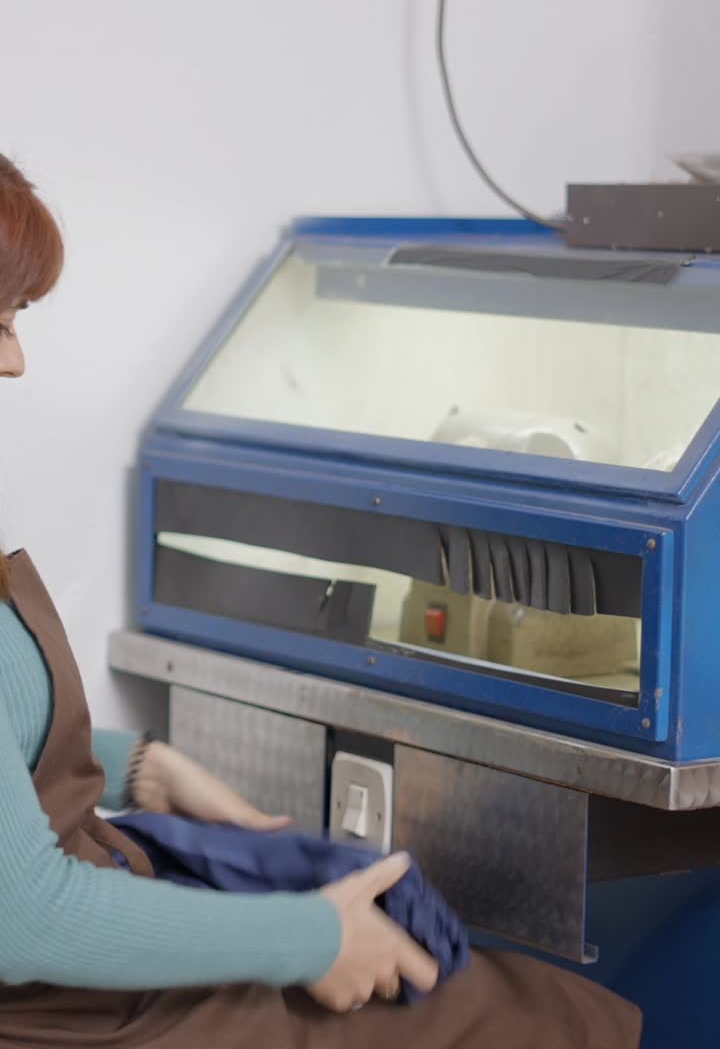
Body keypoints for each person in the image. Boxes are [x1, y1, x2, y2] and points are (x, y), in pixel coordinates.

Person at [0, 152, 642, 1047]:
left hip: (84, 944)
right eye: (0, 321)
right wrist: (311, 938)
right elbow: (23, 919)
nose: (17, 360)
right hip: (69, 1009)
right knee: (542, 1016)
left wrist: (139, 764)